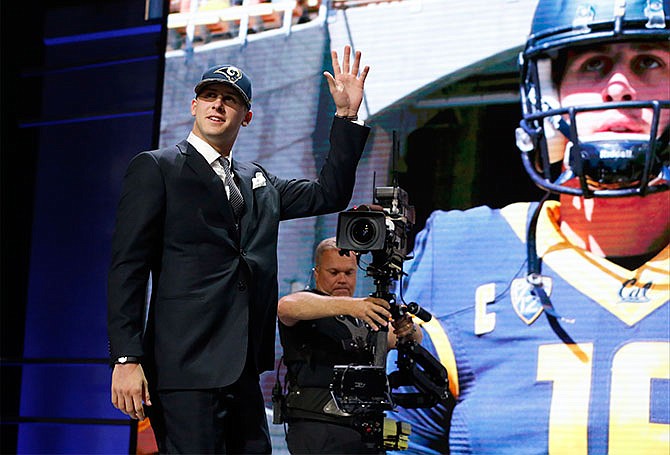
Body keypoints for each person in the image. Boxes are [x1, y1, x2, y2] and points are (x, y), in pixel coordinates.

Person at [389, 0, 669, 453]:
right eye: (593, 64)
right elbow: (400, 439)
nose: (619, 86)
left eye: (649, 62)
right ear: (548, 97)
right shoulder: (463, 255)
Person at [107, 46, 370, 454]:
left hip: (243, 369)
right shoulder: (158, 168)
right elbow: (128, 268)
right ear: (194, 105)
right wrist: (126, 358)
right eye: (210, 96)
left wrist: (345, 118)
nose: (218, 104)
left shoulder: (257, 178)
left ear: (245, 116)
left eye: (230, 98)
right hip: (185, 368)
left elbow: (328, 194)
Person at [277, 237, 422, 454]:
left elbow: (407, 336)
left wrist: (408, 330)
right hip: (319, 427)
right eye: (333, 273)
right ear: (317, 273)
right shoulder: (309, 305)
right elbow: (285, 307)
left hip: (364, 430)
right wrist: (352, 305)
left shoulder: (364, 312)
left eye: (349, 273)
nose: (342, 279)